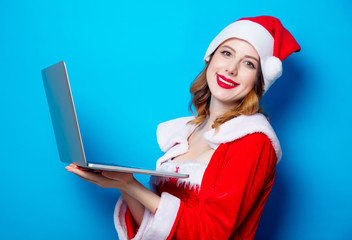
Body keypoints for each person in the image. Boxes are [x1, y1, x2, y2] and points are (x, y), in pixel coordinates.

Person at [66, 16, 301, 240]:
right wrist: (124, 184)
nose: (231, 69)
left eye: (249, 63)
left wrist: (132, 186)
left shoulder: (252, 142)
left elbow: (211, 234)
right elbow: (156, 228)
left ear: (259, 80)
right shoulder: (190, 131)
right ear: (210, 58)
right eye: (226, 53)